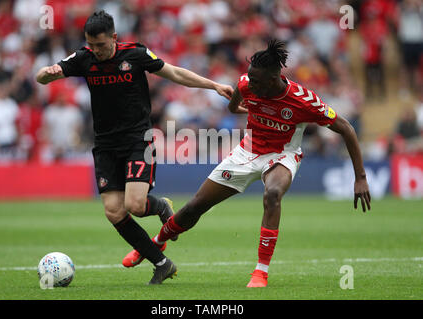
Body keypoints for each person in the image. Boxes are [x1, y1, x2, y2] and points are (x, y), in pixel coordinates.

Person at [123, 39, 372, 287]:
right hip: (246, 152)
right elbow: (235, 106)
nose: (249, 84)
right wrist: (250, 110)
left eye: (256, 81)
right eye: (249, 79)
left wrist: (360, 177)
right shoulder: (247, 84)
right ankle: (156, 242)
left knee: (272, 194)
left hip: (281, 155)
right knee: (194, 207)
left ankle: (260, 272)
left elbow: (347, 129)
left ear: (274, 79)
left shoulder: (303, 100)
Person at [35, 10, 233, 285]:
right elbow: (42, 79)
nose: (96, 51)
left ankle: (160, 205)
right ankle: (162, 263)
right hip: (105, 145)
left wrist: (213, 86)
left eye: (101, 45)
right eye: (91, 45)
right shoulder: (83, 58)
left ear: (114, 38)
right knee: (114, 211)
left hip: (138, 140)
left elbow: (174, 72)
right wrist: (47, 73)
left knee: (135, 205)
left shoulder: (135, 55)